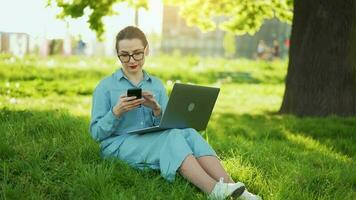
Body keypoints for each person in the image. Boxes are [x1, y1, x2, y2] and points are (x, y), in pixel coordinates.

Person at [90, 26, 261, 200]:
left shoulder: (155, 85)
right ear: (117, 53)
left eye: (137, 53)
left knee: (188, 132)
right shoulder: (105, 87)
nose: (131, 60)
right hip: (117, 145)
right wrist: (116, 112)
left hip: (148, 141)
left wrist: (157, 110)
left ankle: (234, 188)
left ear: (146, 50)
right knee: (171, 137)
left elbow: (166, 125)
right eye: (124, 55)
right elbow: (96, 134)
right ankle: (213, 190)